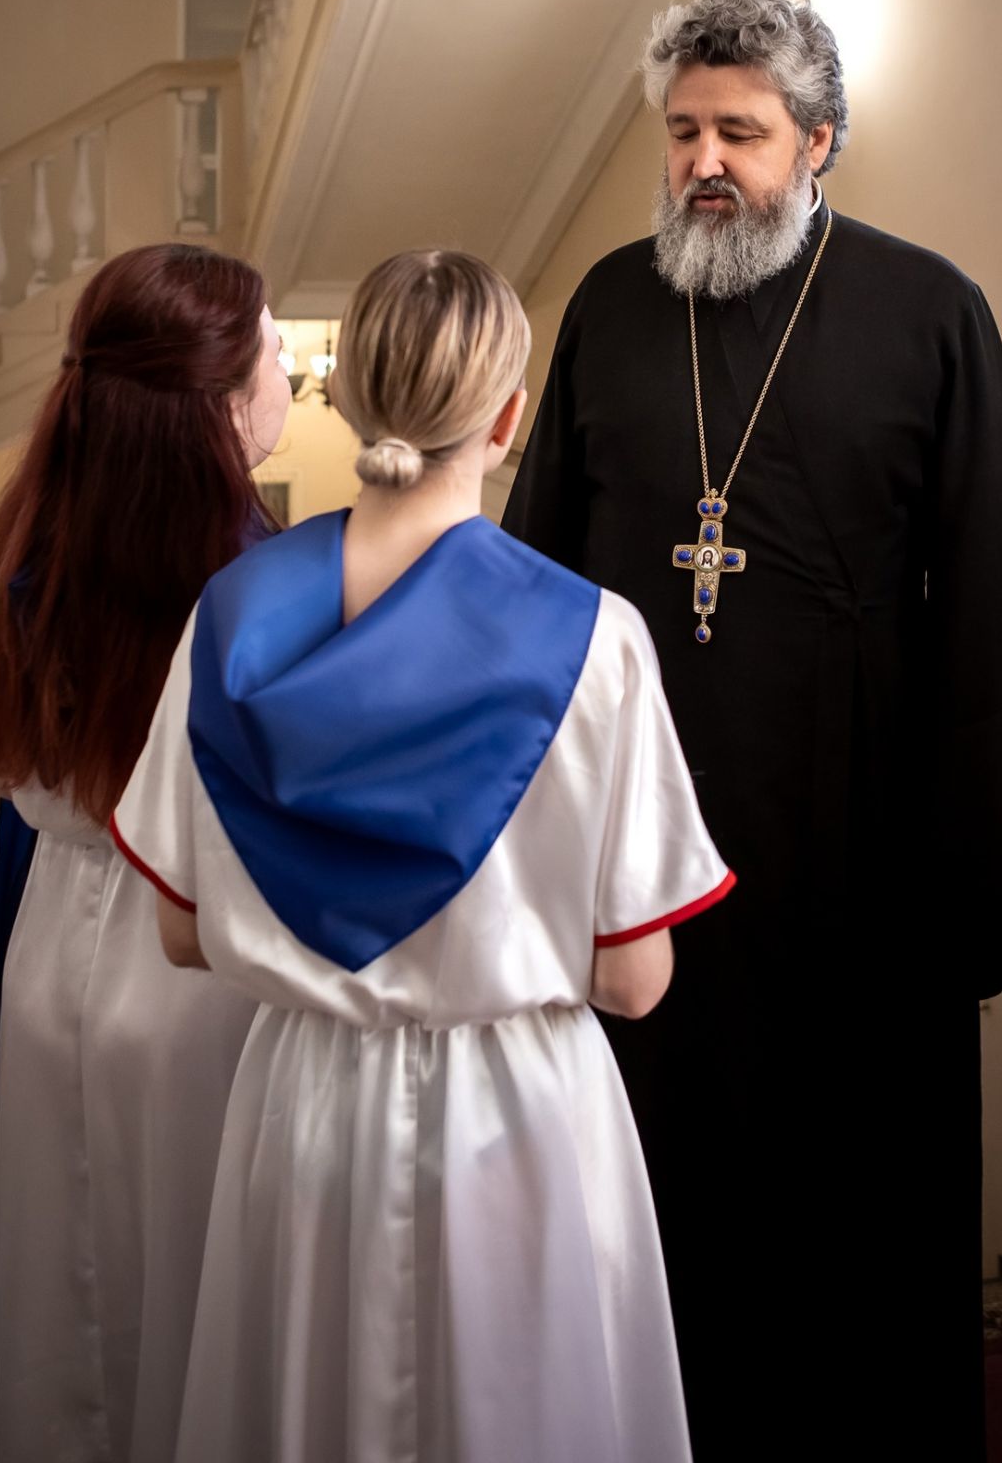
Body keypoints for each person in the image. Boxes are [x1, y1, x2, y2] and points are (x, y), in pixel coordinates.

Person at [501, 0, 1002, 1458]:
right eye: (682, 132)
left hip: (861, 858)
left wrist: (981, 886)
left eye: (741, 132)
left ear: (821, 139)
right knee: (654, 1193)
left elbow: (993, 606)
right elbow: (534, 576)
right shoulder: (608, 303)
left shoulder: (929, 312)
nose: (704, 162)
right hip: (645, 847)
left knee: (856, 1224)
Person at [111, 248, 732, 1463]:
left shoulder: (229, 613)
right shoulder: (595, 639)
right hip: (515, 1117)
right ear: (506, 418)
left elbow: (182, 932)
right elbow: (632, 979)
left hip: (303, 1103)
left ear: (347, 396)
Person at [0, 242, 290, 1463]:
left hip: (53, 954)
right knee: (191, 1307)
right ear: (223, 405)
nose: (288, 366)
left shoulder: (28, 546)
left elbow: (2, 792)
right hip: (197, 969)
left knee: (71, 1303)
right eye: (272, 350)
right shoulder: (257, 582)